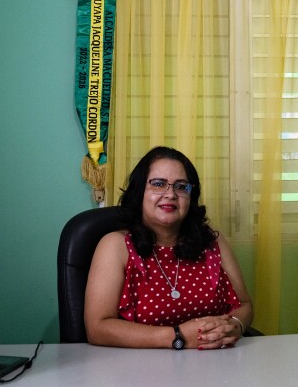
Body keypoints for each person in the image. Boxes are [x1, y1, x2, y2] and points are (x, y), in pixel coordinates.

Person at [84, 146, 254, 350]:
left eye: (181, 187)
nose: (171, 194)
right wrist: (178, 336)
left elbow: (244, 305)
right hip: (137, 372)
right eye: (158, 184)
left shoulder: (212, 242)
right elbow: (97, 328)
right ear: (140, 192)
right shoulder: (115, 245)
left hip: (215, 366)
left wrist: (234, 326)